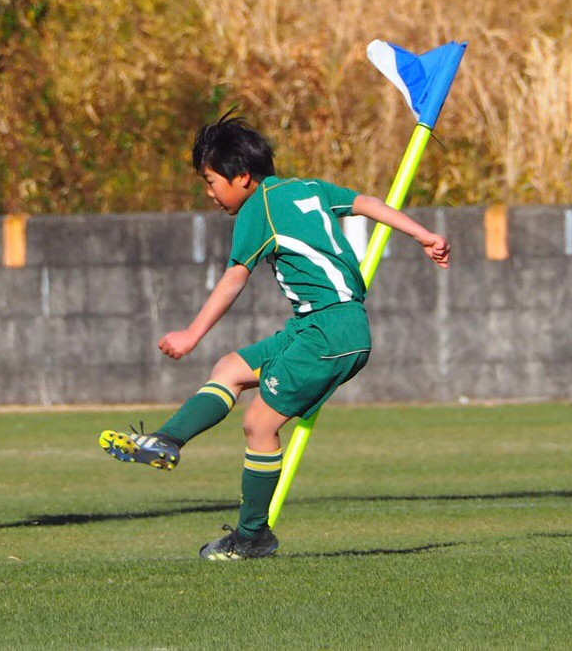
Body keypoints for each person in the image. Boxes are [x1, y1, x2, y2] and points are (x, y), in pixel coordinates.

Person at [99, 113, 450, 560]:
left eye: (211, 182)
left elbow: (234, 279)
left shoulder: (256, 209)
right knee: (231, 368)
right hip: (318, 325)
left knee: (260, 425)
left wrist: (191, 334)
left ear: (242, 177)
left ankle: (252, 536)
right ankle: (167, 440)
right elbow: (365, 203)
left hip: (328, 331)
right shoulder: (308, 188)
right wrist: (423, 235)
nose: (209, 193)